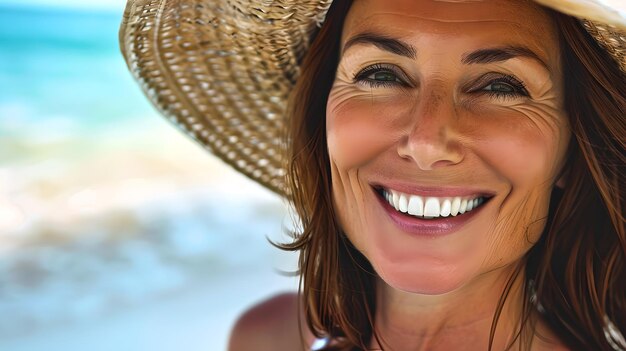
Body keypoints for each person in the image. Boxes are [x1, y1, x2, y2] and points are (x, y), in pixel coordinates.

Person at [119, 0, 625, 350]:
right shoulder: (265, 337)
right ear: (322, 112)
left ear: (572, 147)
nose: (426, 141)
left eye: (500, 86)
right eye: (380, 74)